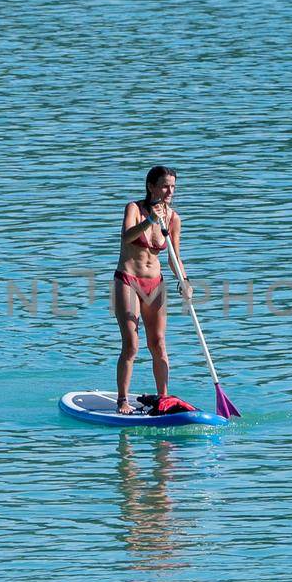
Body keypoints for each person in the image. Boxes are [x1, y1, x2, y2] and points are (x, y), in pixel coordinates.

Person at [113, 165, 191, 413]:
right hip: (128, 280)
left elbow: (174, 257)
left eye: (173, 187)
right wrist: (150, 221)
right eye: (165, 186)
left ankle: (164, 399)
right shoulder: (135, 209)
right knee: (132, 345)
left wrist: (185, 281)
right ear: (151, 187)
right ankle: (123, 399)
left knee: (158, 343)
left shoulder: (173, 218)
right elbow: (126, 237)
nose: (170, 191)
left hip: (155, 283)